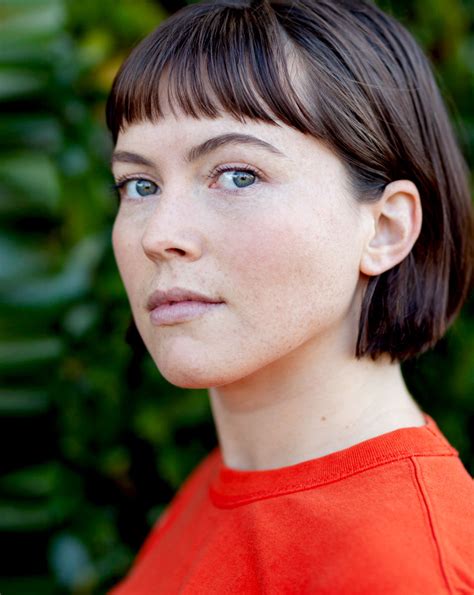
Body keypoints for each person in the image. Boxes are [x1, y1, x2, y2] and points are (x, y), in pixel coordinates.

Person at [107, 0, 473, 592]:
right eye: (139, 185)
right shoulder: (231, 479)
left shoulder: (401, 569)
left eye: (238, 176)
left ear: (385, 228)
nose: (158, 236)